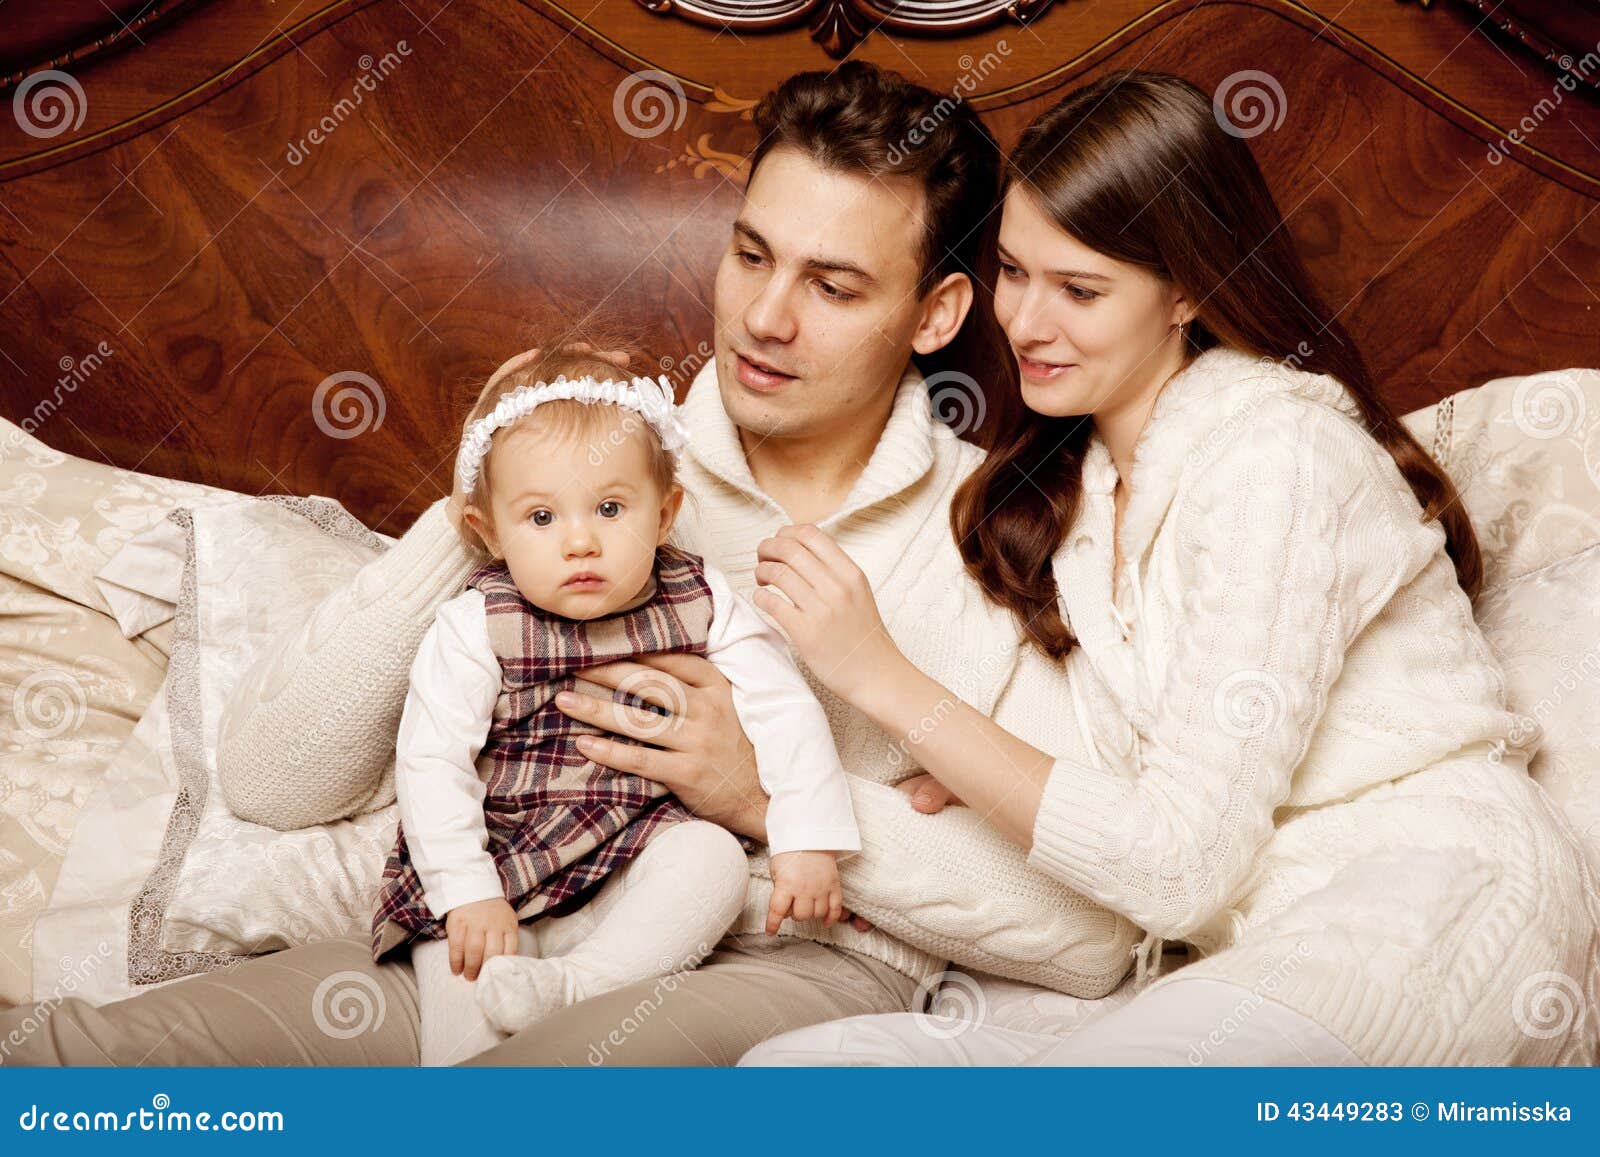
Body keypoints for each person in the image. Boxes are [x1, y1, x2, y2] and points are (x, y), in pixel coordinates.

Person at [0, 62, 1147, 1068]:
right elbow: (273, 783)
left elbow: (1093, 938)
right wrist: (475, 506)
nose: (764, 317)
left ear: (938, 312)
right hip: (511, 912)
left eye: (833, 286)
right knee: (81, 1061)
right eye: (750, 254)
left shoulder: (995, 531)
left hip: (782, 954)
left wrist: (760, 790)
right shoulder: (593, 463)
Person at [738, 71, 1600, 1066]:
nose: (1023, 323)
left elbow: (1181, 861)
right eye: (1013, 271)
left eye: (1080, 290)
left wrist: (881, 678)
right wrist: (984, 769)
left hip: (1425, 899)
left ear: (1188, 288)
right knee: (797, 1073)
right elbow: (1138, 828)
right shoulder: (1076, 492)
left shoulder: (1277, 453)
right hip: (1229, 949)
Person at [381, 347, 860, 1065]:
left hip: (629, 856)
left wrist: (807, 838)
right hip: (496, 869)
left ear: (665, 513)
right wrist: (466, 891)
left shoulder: (703, 600)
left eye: (610, 508)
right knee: (464, 1029)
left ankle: (578, 985)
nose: (580, 540)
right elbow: (430, 760)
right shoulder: (477, 623)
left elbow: (784, 707)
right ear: (486, 532)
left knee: (713, 862)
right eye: (540, 516)